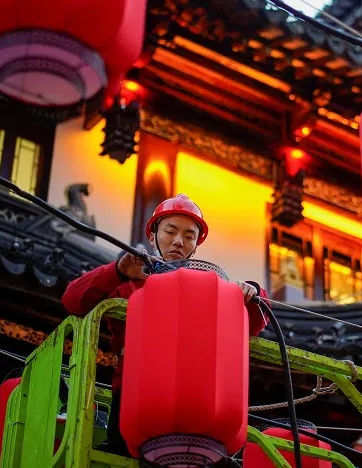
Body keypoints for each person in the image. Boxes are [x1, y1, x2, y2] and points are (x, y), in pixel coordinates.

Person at [61, 193, 270, 456]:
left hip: (195, 397)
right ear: (152, 236)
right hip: (135, 394)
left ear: (196, 246)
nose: (179, 242)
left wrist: (252, 293)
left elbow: (254, 325)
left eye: (189, 236)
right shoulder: (126, 280)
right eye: (170, 231)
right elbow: (72, 300)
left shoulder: (209, 290)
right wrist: (116, 271)